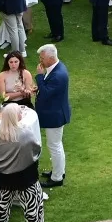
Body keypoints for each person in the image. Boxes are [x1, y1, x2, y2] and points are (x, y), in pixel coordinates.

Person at [0, 103, 45, 222]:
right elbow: (36, 150)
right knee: (33, 210)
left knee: (1, 211)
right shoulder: (25, 133)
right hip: (25, 180)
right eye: (20, 112)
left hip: (3, 180)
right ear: (15, 117)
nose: (22, 113)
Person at [35, 44, 70, 188]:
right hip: (55, 112)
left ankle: (57, 178)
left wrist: (39, 77)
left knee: (55, 146)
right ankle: (58, 171)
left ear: (50, 58)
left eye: (42, 58)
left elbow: (46, 93)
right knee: (56, 145)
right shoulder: (55, 69)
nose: (40, 60)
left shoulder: (58, 74)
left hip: (54, 115)